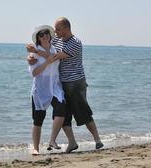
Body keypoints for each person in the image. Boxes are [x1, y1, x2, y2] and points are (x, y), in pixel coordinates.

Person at [26, 17, 104, 152]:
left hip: (75, 82)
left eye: (58, 29)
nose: (54, 32)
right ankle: (72, 142)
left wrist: (36, 52)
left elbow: (53, 57)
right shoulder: (57, 39)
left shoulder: (75, 43)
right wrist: (31, 54)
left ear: (66, 29)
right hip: (61, 82)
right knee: (64, 114)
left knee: (82, 111)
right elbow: (45, 46)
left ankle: (97, 140)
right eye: (54, 30)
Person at [28, 25, 66, 155]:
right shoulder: (34, 54)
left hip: (55, 86)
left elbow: (54, 57)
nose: (45, 36)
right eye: (41, 35)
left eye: (47, 34)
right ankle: (35, 148)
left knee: (61, 109)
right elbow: (34, 73)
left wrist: (49, 58)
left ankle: (52, 140)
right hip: (40, 88)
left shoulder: (55, 49)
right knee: (38, 120)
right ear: (38, 39)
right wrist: (46, 62)